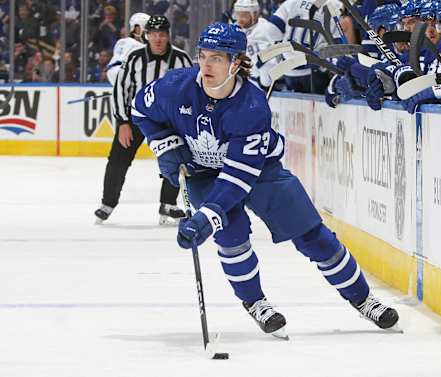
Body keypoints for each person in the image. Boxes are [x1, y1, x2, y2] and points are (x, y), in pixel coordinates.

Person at [132, 22, 399, 337]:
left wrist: (206, 217)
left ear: (236, 62)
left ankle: (363, 299)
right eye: (203, 55)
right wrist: (164, 144)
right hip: (203, 173)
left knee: (314, 237)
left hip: (261, 172)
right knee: (231, 237)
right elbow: (140, 109)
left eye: (217, 58)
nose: (206, 65)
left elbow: (237, 178)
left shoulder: (252, 106)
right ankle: (256, 302)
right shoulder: (174, 87)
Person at [94, 15, 193, 224]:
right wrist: (122, 122)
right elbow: (121, 89)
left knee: (175, 160)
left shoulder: (181, 59)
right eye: (153, 34)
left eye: (162, 34)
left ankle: (168, 204)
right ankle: (108, 203)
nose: (158, 39)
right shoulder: (134, 57)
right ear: (146, 35)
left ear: (168, 36)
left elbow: (190, 91)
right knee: (118, 160)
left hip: (169, 122)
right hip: (136, 118)